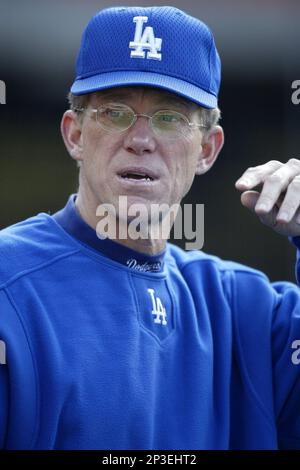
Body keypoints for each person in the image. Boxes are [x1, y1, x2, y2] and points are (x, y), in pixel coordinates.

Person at [0, 5, 300, 451]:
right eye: (115, 112)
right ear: (75, 134)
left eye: (169, 118)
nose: (140, 140)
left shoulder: (249, 312)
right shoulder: (8, 281)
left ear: (207, 149)